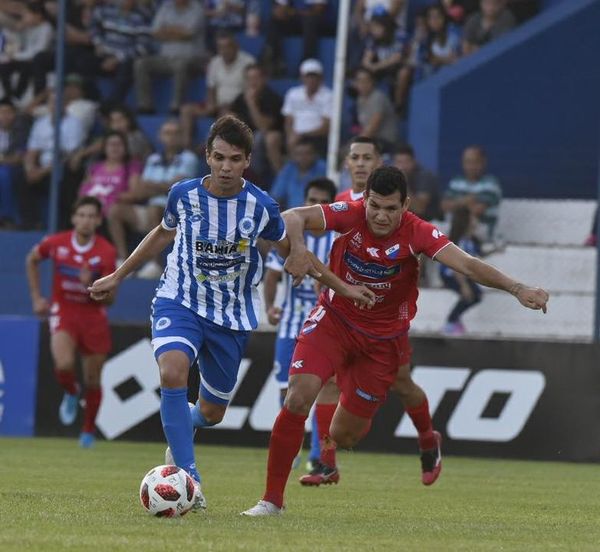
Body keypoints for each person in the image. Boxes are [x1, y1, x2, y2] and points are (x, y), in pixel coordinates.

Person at [88, 115, 373, 511]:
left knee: (211, 412)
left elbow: (295, 251)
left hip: (231, 315)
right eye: (219, 157)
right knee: (172, 371)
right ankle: (190, 476)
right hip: (179, 300)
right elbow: (161, 233)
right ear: (207, 156)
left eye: (234, 159)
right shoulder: (182, 195)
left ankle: (182, 433)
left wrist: (342, 288)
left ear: (246, 161)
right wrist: (119, 275)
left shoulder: (260, 207)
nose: (225, 166)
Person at [242, 165, 549, 516]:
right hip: (335, 322)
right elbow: (292, 216)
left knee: (345, 436)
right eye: (375, 206)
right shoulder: (350, 213)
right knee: (298, 397)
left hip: (381, 342)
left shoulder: (418, 232)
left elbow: (467, 265)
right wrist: (297, 249)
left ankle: (423, 435)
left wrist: (517, 288)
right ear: (366, 200)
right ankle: (272, 501)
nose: (381, 216)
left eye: (391, 208)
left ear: (405, 206)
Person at [25, 196, 117, 448]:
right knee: (64, 363)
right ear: (74, 218)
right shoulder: (57, 243)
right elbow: (32, 259)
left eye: (91, 216)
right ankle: (71, 392)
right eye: (82, 215)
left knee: (93, 378)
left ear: (98, 220)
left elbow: (110, 300)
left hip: (94, 316)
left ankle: (87, 432)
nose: (86, 220)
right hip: (64, 311)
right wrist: (36, 297)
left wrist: (95, 286)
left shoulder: (106, 251)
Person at [263, 177, 337, 471]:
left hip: (323, 328)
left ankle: (317, 454)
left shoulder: (337, 239)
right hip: (290, 326)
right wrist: (270, 307)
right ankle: (291, 448)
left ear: (329, 207)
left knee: (321, 390)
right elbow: (271, 276)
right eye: (309, 200)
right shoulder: (287, 237)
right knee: (287, 391)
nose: (311, 206)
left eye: (319, 202)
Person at [441, 144, 502, 241]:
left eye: (475, 162)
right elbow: (444, 206)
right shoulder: (456, 181)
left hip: (481, 229)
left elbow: (478, 210)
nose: (471, 166)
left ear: (483, 163)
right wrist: (468, 200)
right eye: (468, 162)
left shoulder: (491, 183)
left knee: (463, 216)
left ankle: (452, 246)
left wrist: (457, 203)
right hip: (455, 226)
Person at [440, 206, 482, 335]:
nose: (476, 221)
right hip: (451, 275)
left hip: (462, 274)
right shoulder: (460, 242)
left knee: (475, 295)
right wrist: (464, 286)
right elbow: (456, 266)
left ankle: (454, 320)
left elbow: (474, 257)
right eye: (473, 218)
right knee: (472, 295)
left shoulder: (470, 240)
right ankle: (450, 322)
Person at [393, 143, 440, 221]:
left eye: (406, 162)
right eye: (399, 162)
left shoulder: (425, 176)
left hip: (430, 222)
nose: (402, 167)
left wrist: (403, 183)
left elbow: (419, 209)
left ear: (413, 162)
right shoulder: (392, 175)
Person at [335, 135, 382, 202]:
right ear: (346, 162)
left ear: (379, 162)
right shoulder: (337, 201)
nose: (360, 164)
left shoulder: (386, 202)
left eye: (367, 158)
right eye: (354, 157)